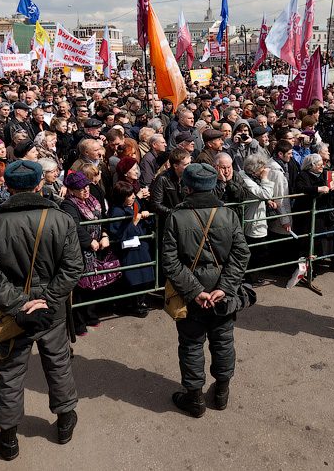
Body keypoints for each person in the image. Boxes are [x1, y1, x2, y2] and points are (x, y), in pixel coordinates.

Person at [0, 160, 84, 460]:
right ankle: (64, 422)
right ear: (39, 185)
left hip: (16, 311)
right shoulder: (60, 219)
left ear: (7, 187)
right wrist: (47, 300)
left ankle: (8, 439)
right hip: (52, 309)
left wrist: (21, 304)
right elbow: (74, 267)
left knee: (11, 371)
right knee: (58, 364)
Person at [161, 163, 250, 417]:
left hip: (191, 295)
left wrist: (194, 291)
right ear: (213, 185)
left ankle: (195, 400)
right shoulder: (228, 214)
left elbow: (170, 261)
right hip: (223, 293)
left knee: (190, 345)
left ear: (187, 186)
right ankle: (221, 394)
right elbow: (241, 253)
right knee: (223, 341)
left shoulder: (176, 217)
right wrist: (225, 287)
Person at [60, 171, 114, 336]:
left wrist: (104, 234)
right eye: (81, 188)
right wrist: (89, 241)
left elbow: (105, 217)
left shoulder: (93, 199)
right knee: (80, 286)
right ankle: (78, 322)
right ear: (71, 190)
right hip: (80, 251)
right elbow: (74, 226)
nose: (85, 190)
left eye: (87, 186)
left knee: (93, 283)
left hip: (97, 248)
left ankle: (90, 315)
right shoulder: (68, 204)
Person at [107, 180, 156, 318]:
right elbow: (117, 234)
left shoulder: (132, 205)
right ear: (122, 196)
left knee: (145, 275)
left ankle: (139, 302)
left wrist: (144, 215)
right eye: (130, 195)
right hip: (129, 250)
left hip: (140, 246)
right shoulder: (116, 211)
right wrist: (135, 221)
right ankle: (133, 304)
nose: (134, 197)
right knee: (134, 278)